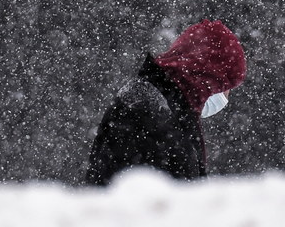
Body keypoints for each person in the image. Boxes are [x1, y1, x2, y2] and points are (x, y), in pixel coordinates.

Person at [84, 20, 247, 186]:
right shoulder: (154, 113)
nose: (226, 97)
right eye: (226, 86)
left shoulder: (160, 103)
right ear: (207, 77)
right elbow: (161, 200)